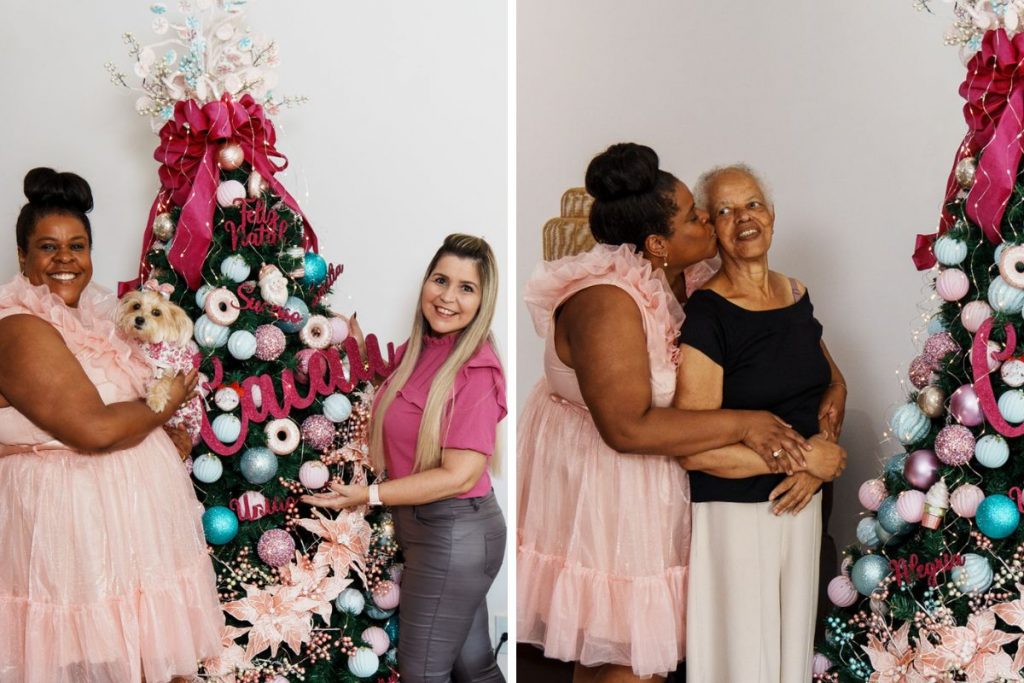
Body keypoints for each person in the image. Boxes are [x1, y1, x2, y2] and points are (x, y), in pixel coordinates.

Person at [516, 143, 844, 683]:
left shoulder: (687, 277)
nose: (710, 223)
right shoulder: (606, 301)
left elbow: (803, 354)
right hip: (607, 485)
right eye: (697, 216)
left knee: (627, 653)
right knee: (630, 655)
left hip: (660, 476)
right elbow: (626, 427)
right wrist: (749, 424)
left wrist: (832, 400)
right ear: (657, 243)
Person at [0, 168, 224, 683]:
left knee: (148, 662)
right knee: (86, 660)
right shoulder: (20, 327)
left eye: (77, 246)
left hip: (129, 529)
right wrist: (167, 404)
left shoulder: (100, 316)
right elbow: (94, 430)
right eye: (48, 247)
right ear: (22, 257)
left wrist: (166, 428)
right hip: (68, 532)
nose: (65, 259)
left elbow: (128, 399)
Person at [303, 234, 507, 683]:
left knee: (422, 674)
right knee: (473, 667)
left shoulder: (476, 370)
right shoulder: (424, 349)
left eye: (466, 288)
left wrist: (369, 495)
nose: (447, 297)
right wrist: (355, 350)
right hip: (436, 532)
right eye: (441, 280)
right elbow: (403, 402)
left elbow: (459, 475)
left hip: (454, 532)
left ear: (483, 300)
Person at [676, 164, 847, 682]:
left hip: (801, 504)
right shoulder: (706, 314)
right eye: (725, 210)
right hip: (737, 513)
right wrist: (807, 460)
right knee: (744, 664)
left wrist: (820, 456)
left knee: (789, 658)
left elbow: (832, 385)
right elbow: (693, 448)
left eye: (752, 204)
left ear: (771, 214)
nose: (743, 218)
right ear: (711, 228)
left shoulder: (795, 293)